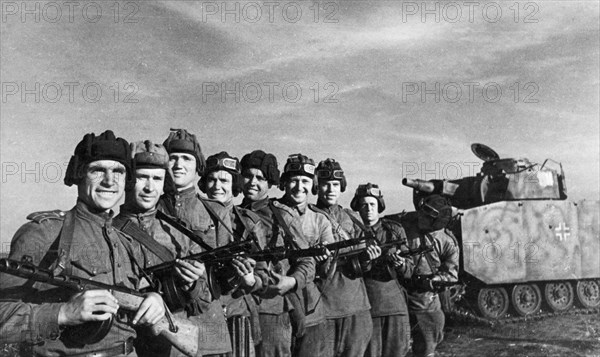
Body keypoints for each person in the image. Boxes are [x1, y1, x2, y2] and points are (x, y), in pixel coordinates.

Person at [0, 131, 165, 356]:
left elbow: (141, 293)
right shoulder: (46, 232)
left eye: (118, 171)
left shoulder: (126, 241)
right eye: (97, 170)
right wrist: (64, 313)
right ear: (79, 175)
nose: (109, 180)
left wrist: (154, 299)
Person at [115, 140, 211, 357]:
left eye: (157, 178)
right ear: (128, 181)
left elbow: (202, 304)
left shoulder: (179, 233)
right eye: (142, 177)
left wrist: (192, 283)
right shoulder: (108, 231)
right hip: (127, 345)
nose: (150, 187)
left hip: (172, 345)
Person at [159, 128, 232, 357]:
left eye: (186, 159)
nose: (179, 164)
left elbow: (227, 278)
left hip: (207, 328)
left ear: (197, 166)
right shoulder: (151, 209)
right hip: (163, 326)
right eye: (173, 158)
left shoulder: (215, 212)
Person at [199, 151, 268, 357]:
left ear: (234, 185)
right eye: (211, 179)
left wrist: (251, 280)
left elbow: (264, 271)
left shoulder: (248, 222)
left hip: (238, 313)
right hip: (205, 315)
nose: (217, 186)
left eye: (224, 180)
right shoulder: (191, 218)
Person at [271, 154, 335, 357]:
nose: (300, 186)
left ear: (313, 184)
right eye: (294, 180)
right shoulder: (271, 211)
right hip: (277, 301)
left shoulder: (320, 220)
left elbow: (327, 271)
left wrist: (325, 258)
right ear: (284, 183)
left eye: (306, 181)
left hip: (310, 306)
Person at [313, 159, 378, 357]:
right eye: (325, 184)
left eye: (335, 185)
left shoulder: (352, 217)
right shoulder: (309, 216)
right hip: (325, 306)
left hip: (357, 306)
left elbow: (364, 261)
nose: (331, 189)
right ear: (317, 186)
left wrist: (368, 258)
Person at [388, 194, 459, 357]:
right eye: (420, 212)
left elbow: (451, 274)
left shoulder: (446, 241)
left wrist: (433, 280)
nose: (420, 216)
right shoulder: (404, 224)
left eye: (426, 217)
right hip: (397, 293)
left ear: (436, 221)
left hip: (425, 298)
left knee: (426, 345)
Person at [238, 150, 294, 357]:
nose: (252, 182)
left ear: (269, 183)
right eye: (248, 175)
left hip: (271, 308)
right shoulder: (233, 212)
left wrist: (292, 281)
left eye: (260, 178)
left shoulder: (280, 215)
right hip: (242, 305)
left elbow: (304, 258)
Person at [350, 183, 413, 357]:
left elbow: (409, 268)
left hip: (395, 304)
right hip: (368, 305)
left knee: (397, 352)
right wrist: (364, 260)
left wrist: (401, 265)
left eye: (372, 204)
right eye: (364, 205)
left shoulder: (394, 230)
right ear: (358, 208)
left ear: (379, 205)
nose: (368, 209)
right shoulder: (353, 232)